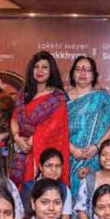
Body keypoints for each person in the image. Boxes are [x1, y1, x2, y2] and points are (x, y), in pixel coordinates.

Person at [11, 51, 70, 187]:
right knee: (22, 193)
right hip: (21, 151)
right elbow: (14, 118)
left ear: (51, 71)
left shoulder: (57, 97)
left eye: (44, 67)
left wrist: (33, 139)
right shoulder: (23, 94)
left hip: (40, 152)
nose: (39, 71)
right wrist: (17, 138)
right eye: (36, 67)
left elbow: (55, 127)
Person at [66, 56, 110, 198]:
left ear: (94, 75)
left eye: (87, 70)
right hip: (68, 155)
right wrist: (73, 150)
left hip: (94, 157)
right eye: (79, 69)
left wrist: (96, 147)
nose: (83, 73)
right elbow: (57, 130)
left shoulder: (102, 98)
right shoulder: (61, 99)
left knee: (93, 198)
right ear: (72, 73)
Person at [19, 148, 72, 219]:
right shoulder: (29, 187)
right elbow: (22, 217)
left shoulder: (64, 189)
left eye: (58, 166)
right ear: (41, 167)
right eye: (49, 166)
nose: (54, 170)